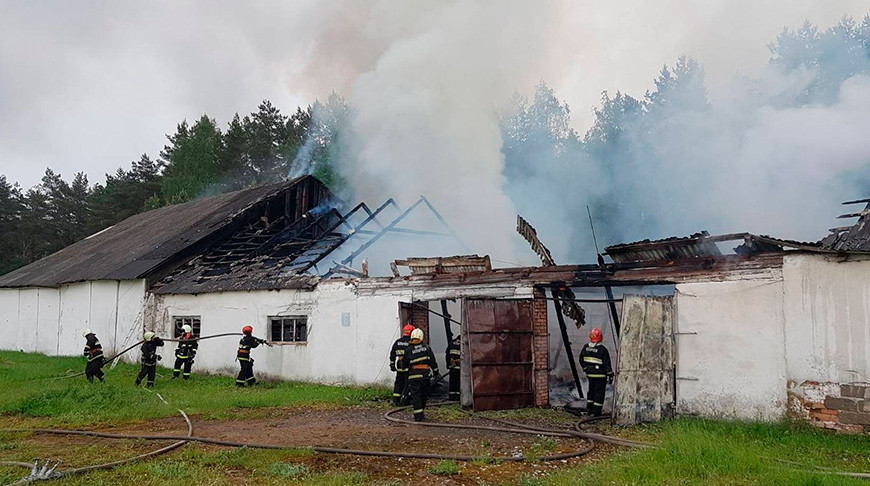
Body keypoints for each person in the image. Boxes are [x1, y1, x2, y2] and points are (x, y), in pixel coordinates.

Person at [404, 328, 438, 422]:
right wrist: (436, 372)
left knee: (416, 396)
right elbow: (432, 362)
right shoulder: (427, 348)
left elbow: (404, 365)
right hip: (425, 377)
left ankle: (418, 416)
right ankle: (421, 413)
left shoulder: (408, 350)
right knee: (424, 395)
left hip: (413, 377)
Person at [578, 328, 613, 416]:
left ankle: (589, 409)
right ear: (600, 337)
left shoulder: (585, 347)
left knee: (591, 391)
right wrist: (610, 374)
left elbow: (581, 359)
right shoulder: (602, 349)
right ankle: (596, 412)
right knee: (599, 393)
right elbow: (606, 363)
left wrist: (585, 369)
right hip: (600, 376)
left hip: (590, 374)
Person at [389, 324, 415, 405]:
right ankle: (405, 401)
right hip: (408, 367)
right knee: (408, 384)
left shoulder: (397, 342)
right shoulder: (411, 343)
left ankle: (396, 400)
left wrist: (392, 365)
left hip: (399, 367)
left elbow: (392, 354)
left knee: (399, 383)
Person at [446, 337, 461, 401]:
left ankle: (451, 398)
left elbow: (447, 353)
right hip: (460, 368)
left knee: (452, 383)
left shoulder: (452, 342)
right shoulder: (464, 343)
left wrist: (449, 362)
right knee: (458, 384)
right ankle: (458, 399)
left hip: (452, 367)